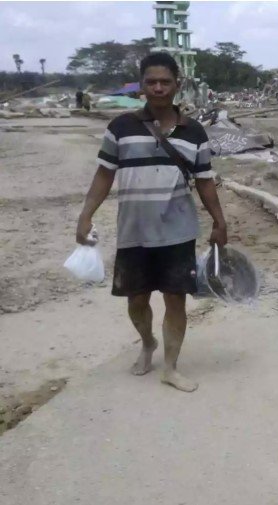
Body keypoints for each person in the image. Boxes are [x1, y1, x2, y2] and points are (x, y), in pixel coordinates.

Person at [75, 52, 227, 393]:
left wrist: (219, 221)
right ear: (141, 85)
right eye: (151, 82)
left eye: (165, 82)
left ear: (178, 84)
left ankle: (171, 367)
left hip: (178, 231)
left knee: (176, 300)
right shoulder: (121, 128)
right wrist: (85, 216)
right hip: (135, 231)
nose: (158, 88)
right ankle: (147, 342)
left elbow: (204, 181)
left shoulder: (194, 132)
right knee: (137, 301)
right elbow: (103, 175)